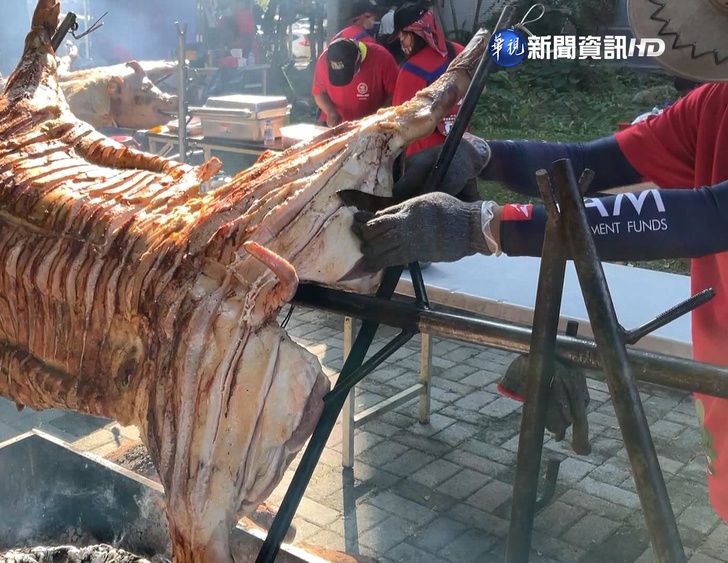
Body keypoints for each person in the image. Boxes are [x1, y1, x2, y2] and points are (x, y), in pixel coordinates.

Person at [348, 0, 728, 523]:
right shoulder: (715, 105)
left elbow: (707, 216)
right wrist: (487, 155)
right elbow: (594, 163)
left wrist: (490, 225)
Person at [382, 1, 465, 156]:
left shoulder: (411, 69)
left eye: (402, 36)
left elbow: (400, 119)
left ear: (412, 33)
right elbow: (481, 89)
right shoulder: (458, 51)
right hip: (461, 147)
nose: (401, 42)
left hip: (423, 155)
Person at [311, 36, 399, 126]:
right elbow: (318, 92)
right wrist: (330, 111)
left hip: (373, 124)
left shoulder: (382, 58)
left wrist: (378, 117)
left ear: (358, 60)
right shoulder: (324, 60)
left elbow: (395, 94)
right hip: (338, 124)